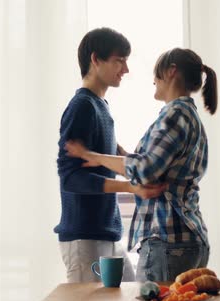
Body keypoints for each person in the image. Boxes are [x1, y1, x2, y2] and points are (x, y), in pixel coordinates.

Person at [65, 47, 218, 282]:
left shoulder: (175, 114)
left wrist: (92, 155)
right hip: (187, 240)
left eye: (156, 74)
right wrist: (121, 152)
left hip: (169, 242)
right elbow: (159, 165)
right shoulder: (188, 115)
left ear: (171, 72)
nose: (153, 80)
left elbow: (145, 169)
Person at [55, 27, 166, 283]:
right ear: (96, 60)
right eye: (119, 60)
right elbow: (71, 178)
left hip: (106, 234)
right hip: (85, 237)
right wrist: (131, 187)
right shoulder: (82, 106)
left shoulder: (99, 106)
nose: (125, 69)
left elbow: (106, 158)